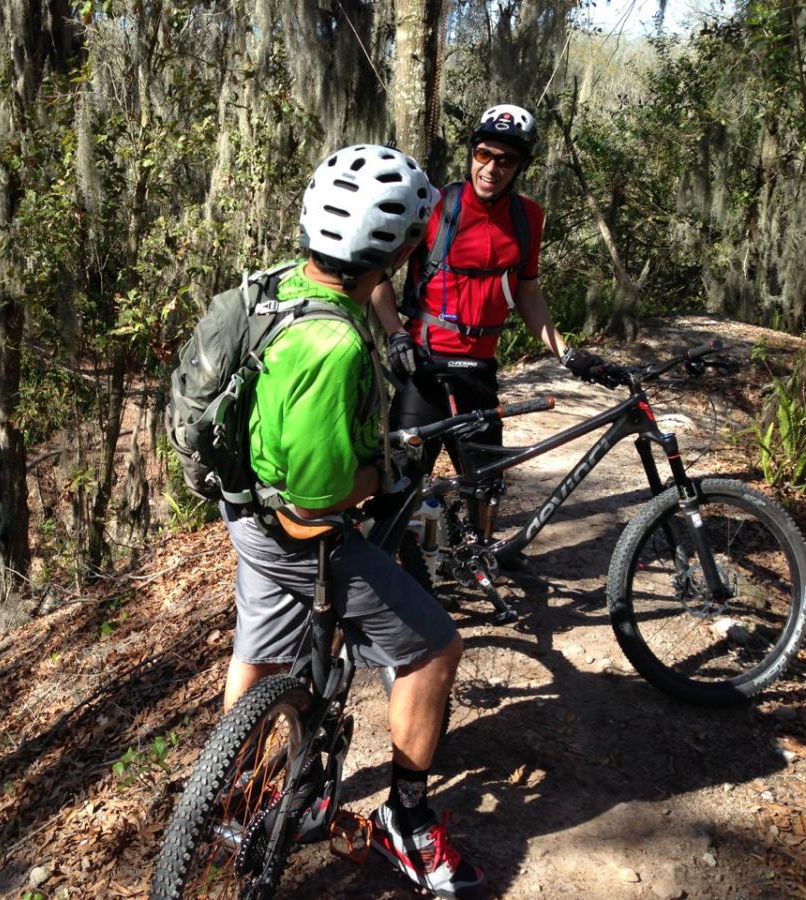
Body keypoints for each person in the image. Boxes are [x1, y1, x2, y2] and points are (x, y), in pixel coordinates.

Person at [221, 144, 485, 898]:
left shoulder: (274, 286)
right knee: (435, 647)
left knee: (262, 653)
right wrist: (387, 471)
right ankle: (406, 818)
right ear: (398, 251)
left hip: (245, 515)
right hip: (300, 532)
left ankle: (231, 796)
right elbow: (320, 498)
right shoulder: (333, 343)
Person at [371, 104, 604, 550]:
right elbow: (378, 274)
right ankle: (384, 564)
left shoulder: (528, 218)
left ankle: (485, 554)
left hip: (479, 368)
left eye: (506, 160)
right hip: (425, 366)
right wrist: (395, 332)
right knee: (401, 476)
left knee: (487, 479)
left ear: (520, 167)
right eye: (484, 154)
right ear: (472, 154)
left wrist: (565, 352)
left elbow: (529, 294)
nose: (492, 168)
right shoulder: (436, 206)